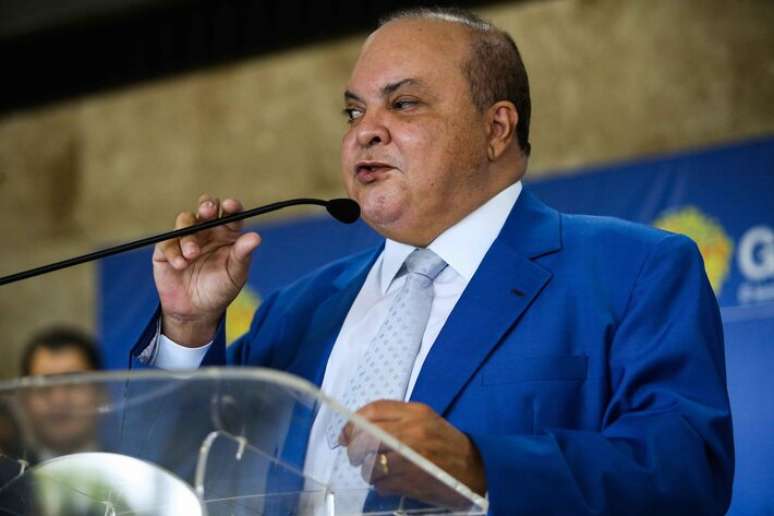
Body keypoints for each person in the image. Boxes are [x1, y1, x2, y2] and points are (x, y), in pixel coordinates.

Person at [130, 7, 733, 515]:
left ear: (496, 128)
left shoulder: (636, 271)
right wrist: (187, 328)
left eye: (404, 104)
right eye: (354, 112)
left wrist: (479, 466)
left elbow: (685, 474)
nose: (365, 132)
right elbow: (169, 480)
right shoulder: (297, 310)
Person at [20, 326, 102, 460]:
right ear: (25, 400)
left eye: (73, 383)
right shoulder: (8, 472)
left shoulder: (128, 466)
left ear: (99, 392)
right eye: (44, 386)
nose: (59, 400)